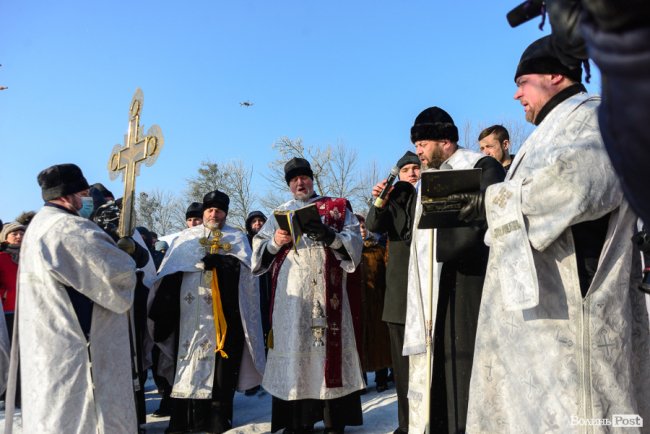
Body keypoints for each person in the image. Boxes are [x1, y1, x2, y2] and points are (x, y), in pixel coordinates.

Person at [451, 36, 650, 432]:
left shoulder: (594, 118)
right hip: (542, 324)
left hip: (574, 319)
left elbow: (582, 185)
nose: (516, 94)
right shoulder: (555, 127)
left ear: (556, 75)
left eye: (523, 81)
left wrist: (495, 199)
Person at [5, 163, 148, 433]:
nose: (87, 200)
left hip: (50, 343)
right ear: (66, 195)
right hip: (79, 347)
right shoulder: (69, 229)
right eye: (83, 194)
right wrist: (128, 253)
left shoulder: (38, 225)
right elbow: (117, 277)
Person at [402, 107, 505, 433]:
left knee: (467, 370)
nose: (417, 150)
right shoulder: (427, 179)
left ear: (445, 140)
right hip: (434, 291)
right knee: (441, 373)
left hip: (469, 282)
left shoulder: (480, 165)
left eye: (422, 142)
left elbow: (491, 218)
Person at [251, 157, 364, 434]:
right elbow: (258, 253)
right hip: (292, 301)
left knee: (327, 353)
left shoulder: (336, 207)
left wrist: (330, 236)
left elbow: (354, 242)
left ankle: (333, 421)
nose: (299, 183)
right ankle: (298, 422)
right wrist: (276, 242)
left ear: (312, 179)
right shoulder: (280, 212)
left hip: (328, 293)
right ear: (289, 185)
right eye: (293, 180)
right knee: (296, 354)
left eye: (304, 177)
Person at [149, 189, 266, 434]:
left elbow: (248, 276)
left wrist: (223, 263)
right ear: (203, 213)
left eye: (219, 210)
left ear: (225, 213)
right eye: (210, 209)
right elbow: (168, 275)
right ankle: (183, 422)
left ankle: (216, 421)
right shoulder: (186, 238)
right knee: (187, 368)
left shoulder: (235, 238)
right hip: (189, 319)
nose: (214, 213)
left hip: (225, 319)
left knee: (221, 374)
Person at [366, 150, 420, 434]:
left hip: (428, 291)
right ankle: (406, 423)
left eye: (416, 167)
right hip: (399, 293)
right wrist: (381, 200)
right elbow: (374, 225)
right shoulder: (393, 198)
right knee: (402, 369)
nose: (412, 172)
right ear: (398, 174)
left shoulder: (432, 194)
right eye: (406, 169)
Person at [353, 214, 391, 393]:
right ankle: (360, 381)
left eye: (363, 226)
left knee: (379, 341)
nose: (360, 230)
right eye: (356, 227)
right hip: (356, 304)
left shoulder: (378, 250)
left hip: (377, 301)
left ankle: (381, 377)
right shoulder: (349, 253)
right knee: (358, 342)